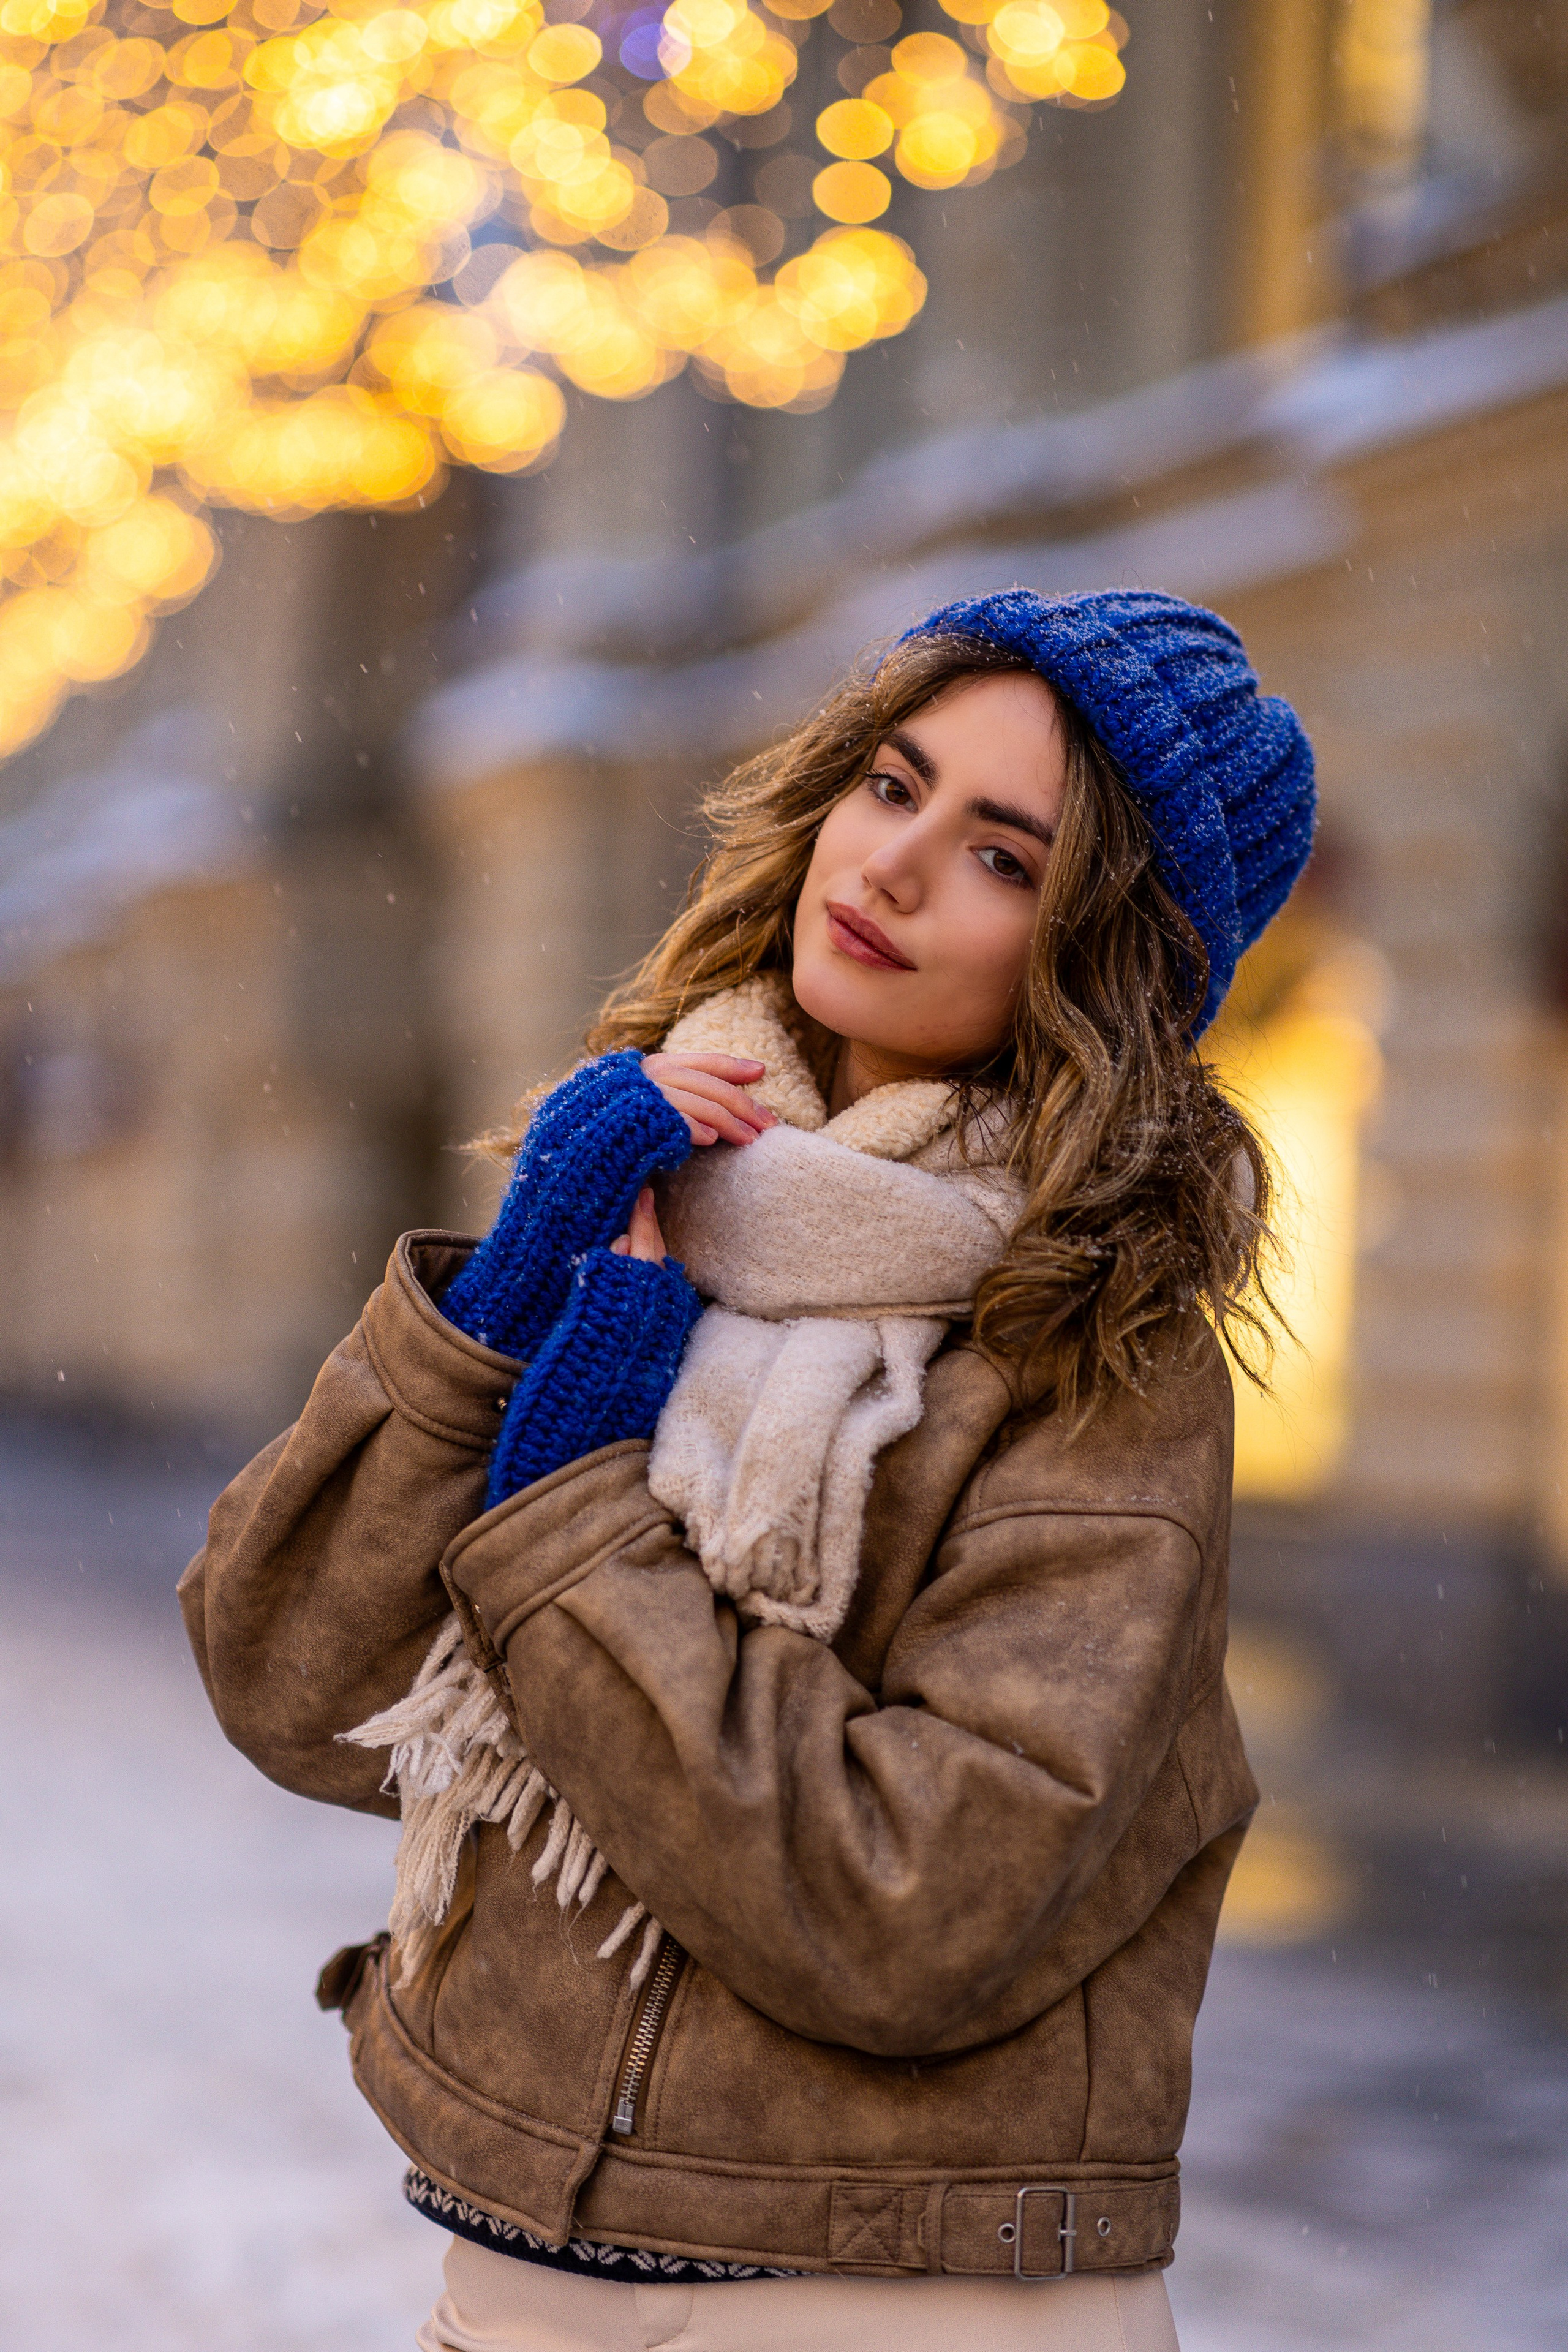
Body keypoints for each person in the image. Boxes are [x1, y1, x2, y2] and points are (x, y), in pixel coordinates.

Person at [180, 587, 1315, 2352]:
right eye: (892, 783)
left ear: (1101, 958)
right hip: (517, 2271)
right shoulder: (668, 1186)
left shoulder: (1101, 1345)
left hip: (893, 2303)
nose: (895, 866)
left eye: (1007, 858)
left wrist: (573, 1509)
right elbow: (296, 1686)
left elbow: (907, 1903)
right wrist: (500, 1307)